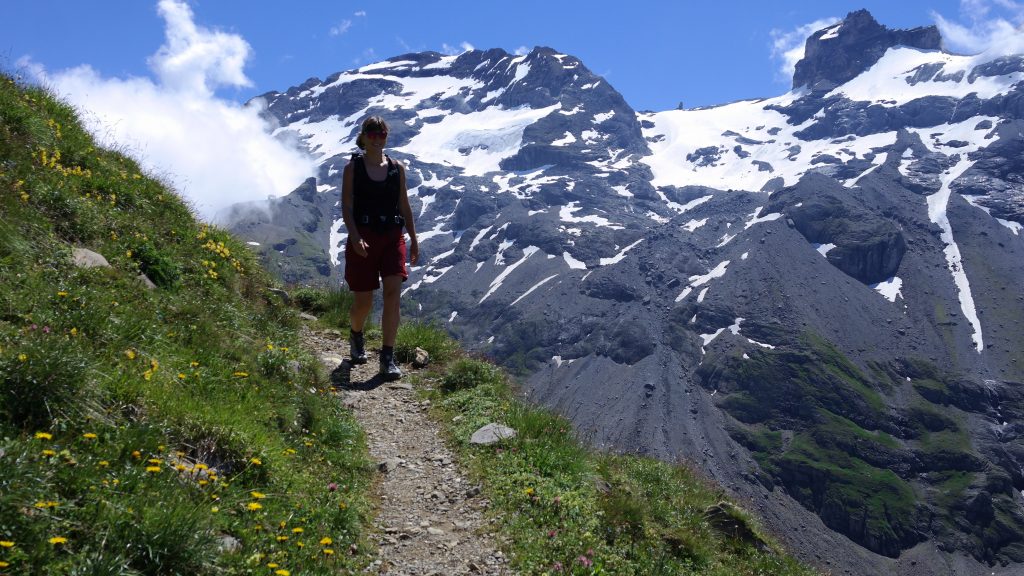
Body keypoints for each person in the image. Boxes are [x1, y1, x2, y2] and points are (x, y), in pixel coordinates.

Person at [341, 116, 419, 380]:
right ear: (363, 137)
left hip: (392, 237)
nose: (377, 138)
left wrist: (414, 240)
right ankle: (356, 334)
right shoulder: (353, 168)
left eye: (381, 133)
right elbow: (347, 206)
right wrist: (354, 237)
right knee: (363, 302)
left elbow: (404, 205)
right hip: (362, 238)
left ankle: (387, 356)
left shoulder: (397, 168)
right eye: (372, 134)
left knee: (392, 294)